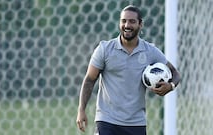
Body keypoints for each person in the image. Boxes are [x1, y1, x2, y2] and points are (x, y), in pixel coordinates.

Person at [76, 5, 181, 135]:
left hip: (136, 123)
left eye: (132, 21)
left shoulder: (150, 51)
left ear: (140, 24)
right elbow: (89, 80)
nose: (127, 25)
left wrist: (170, 86)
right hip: (107, 121)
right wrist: (81, 110)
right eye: (124, 21)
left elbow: (175, 73)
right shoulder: (104, 49)